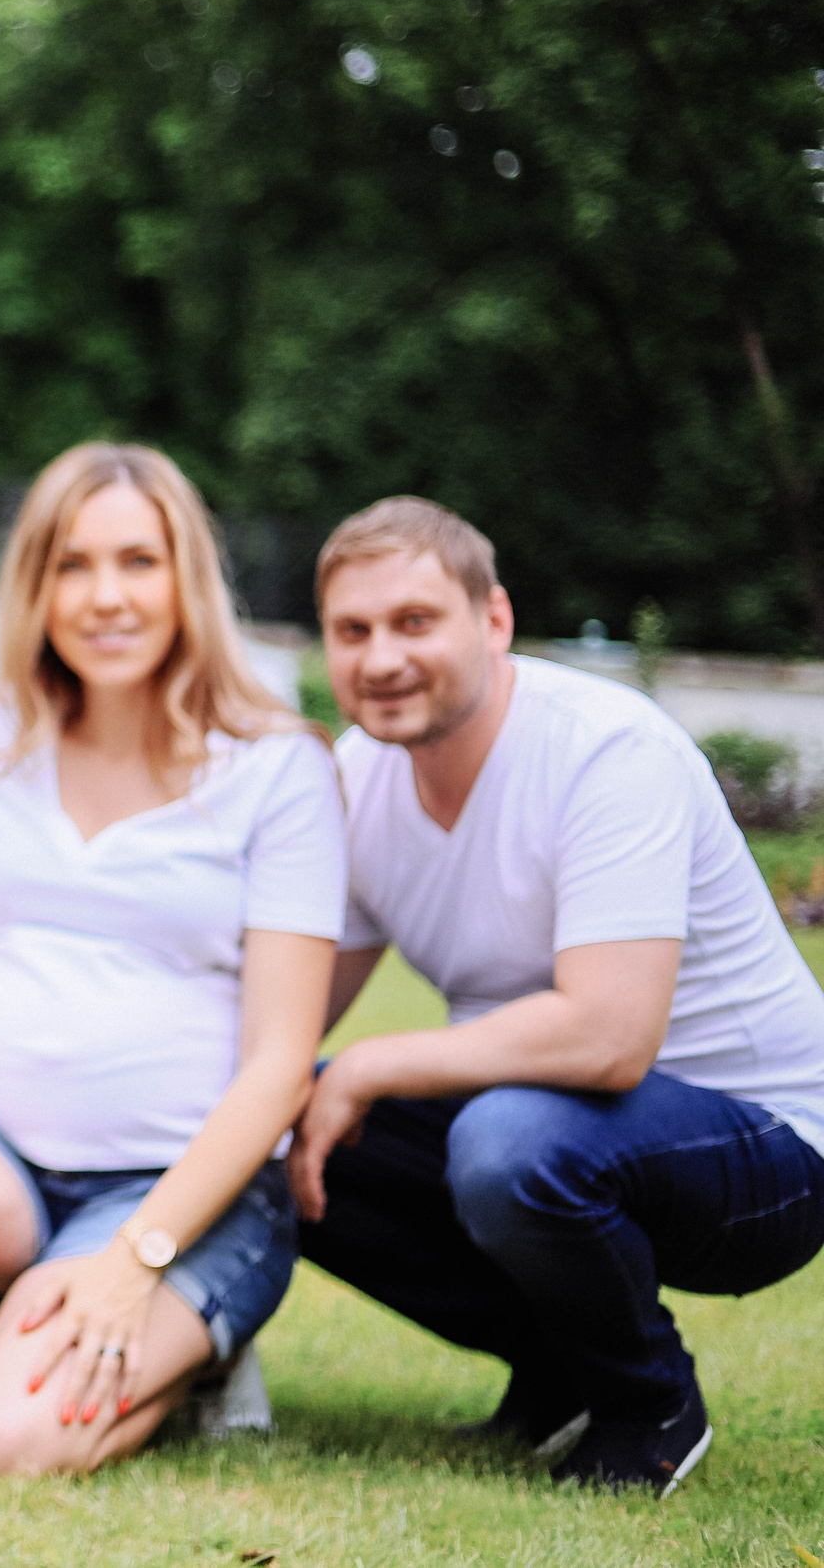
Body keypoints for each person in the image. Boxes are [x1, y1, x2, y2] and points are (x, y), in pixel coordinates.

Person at [0, 442, 345, 1474]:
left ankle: (190, 1353)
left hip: (178, 1193)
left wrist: (136, 1259)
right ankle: (14, 1314)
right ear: (36, 586)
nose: (106, 596)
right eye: (73, 565)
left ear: (186, 578)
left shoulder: (277, 767)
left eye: (137, 562)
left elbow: (282, 1064)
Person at [290, 497, 824, 1497]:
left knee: (506, 1141)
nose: (381, 658)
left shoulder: (605, 749)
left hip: (769, 1148)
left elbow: (609, 1036)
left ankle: (646, 1404)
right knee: (282, 1115)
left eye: (414, 622)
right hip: (551, 1126)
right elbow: (289, 1019)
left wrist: (369, 1064)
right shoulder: (357, 781)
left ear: (492, 619)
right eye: (351, 631)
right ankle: (559, 1369)